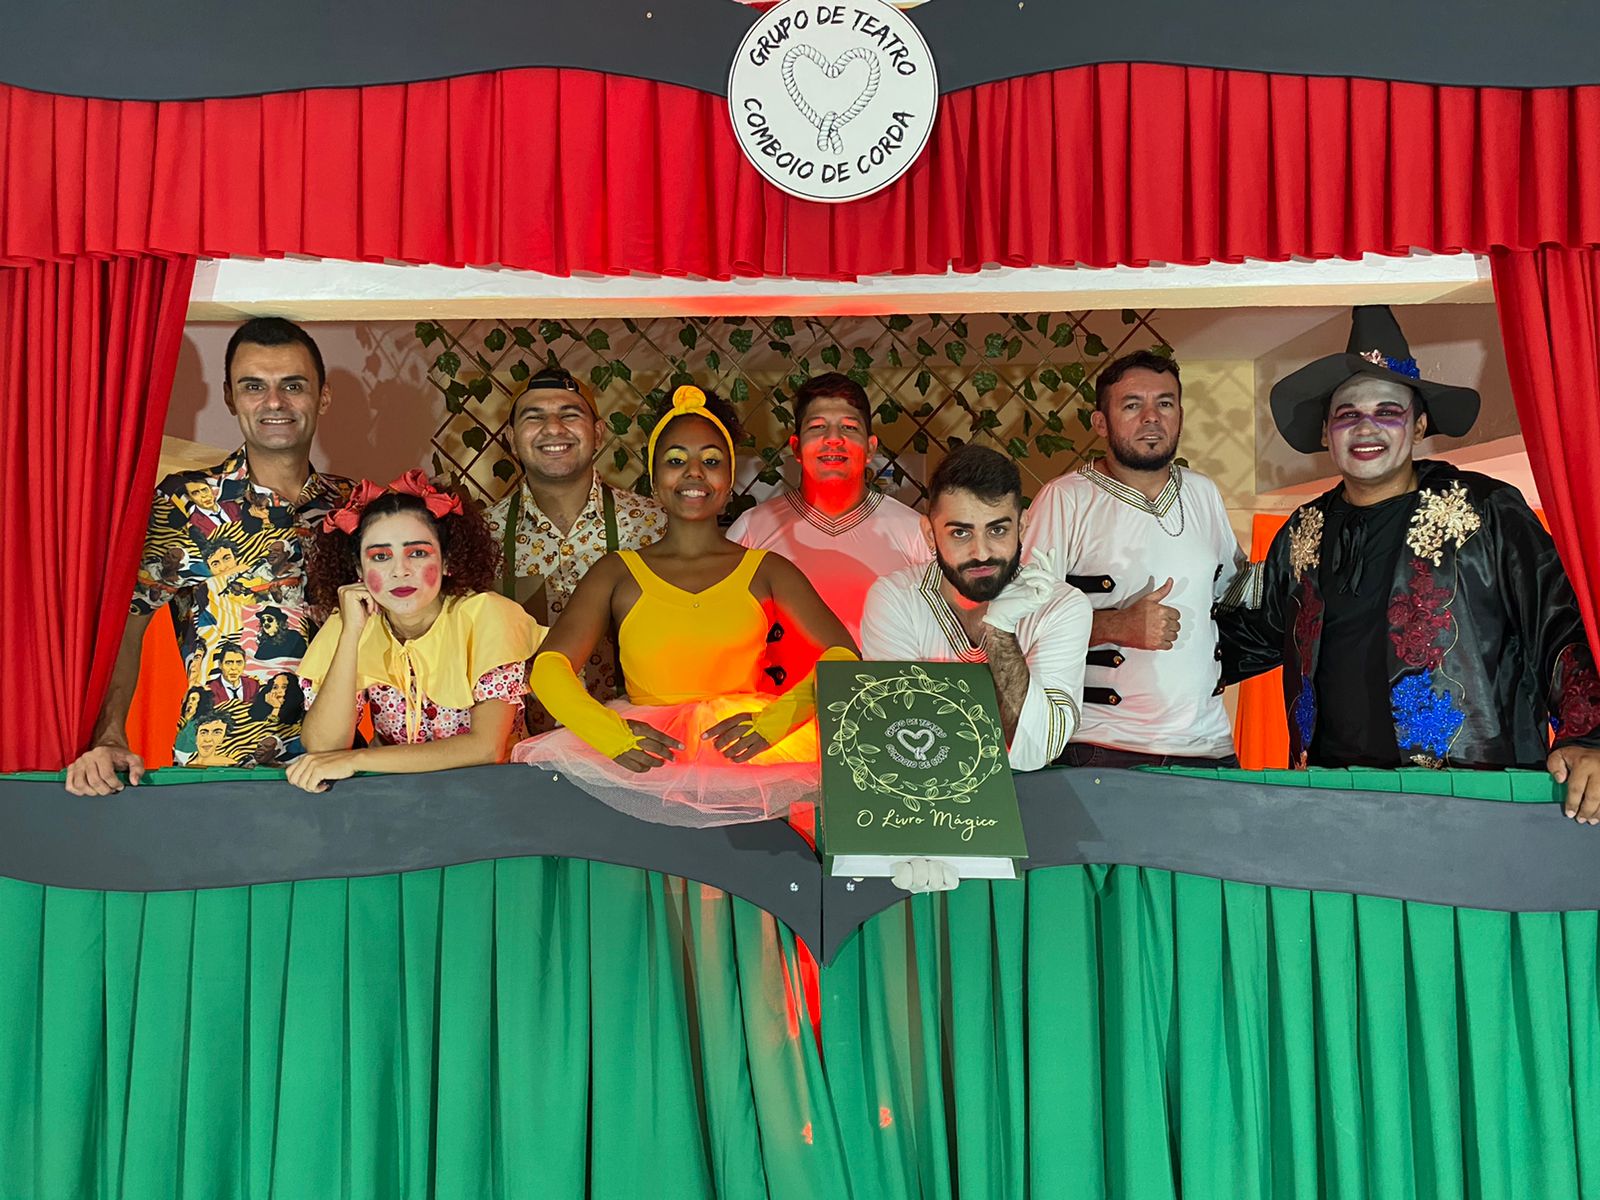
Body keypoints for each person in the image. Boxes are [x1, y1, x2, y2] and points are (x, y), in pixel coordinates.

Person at [1219, 304, 1600, 820]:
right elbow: (1257, 635)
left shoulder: (1485, 510)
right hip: (1331, 794)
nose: (1366, 428)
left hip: (1473, 791)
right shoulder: (1301, 532)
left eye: (1387, 411)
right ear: (1327, 432)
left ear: (1418, 425)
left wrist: (1587, 735)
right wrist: (1147, 656)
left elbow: (1557, 622)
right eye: (1348, 414)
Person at [513, 385, 857, 826]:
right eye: (676, 461)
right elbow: (547, 668)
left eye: (711, 462)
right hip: (646, 764)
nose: (694, 473)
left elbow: (843, 655)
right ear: (654, 479)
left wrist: (776, 722)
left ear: (729, 479)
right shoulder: (617, 572)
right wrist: (609, 733)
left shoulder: (767, 570)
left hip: (746, 762)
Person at [64, 317, 353, 793]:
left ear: (323, 396)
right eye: (253, 386)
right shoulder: (185, 502)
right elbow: (125, 625)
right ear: (229, 397)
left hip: (339, 769)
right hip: (218, 771)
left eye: (293, 385)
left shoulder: (354, 508)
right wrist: (109, 736)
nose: (274, 402)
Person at [1023, 351, 1256, 768]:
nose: (1152, 417)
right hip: (1101, 747)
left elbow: (1238, 594)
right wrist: (1115, 626)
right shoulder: (1065, 499)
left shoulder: (1202, 492)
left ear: (1180, 415)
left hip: (1209, 746)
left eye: (1165, 403)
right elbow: (1020, 624)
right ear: (1100, 423)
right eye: (1132, 405)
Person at [285, 472, 544, 794]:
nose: (400, 570)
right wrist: (350, 634)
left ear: (447, 561)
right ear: (359, 570)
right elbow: (323, 748)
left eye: (418, 553)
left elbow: (486, 748)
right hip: (404, 803)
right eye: (380, 557)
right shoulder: (349, 622)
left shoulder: (487, 615)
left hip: (498, 796)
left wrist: (356, 760)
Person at [860, 444, 1092, 771]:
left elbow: (1038, 750)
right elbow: (899, 732)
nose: (981, 552)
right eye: (960, 532)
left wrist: (1000, 628)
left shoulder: (1061, 605)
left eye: (997, 530)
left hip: (1029, 793)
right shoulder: (896, 598)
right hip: (921, 790)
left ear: (1022, 527)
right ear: (930, 534)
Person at [486, 367, 665, 733]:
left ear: (597, 433)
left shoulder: (654, 526)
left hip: (636, 742)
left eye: (569, 415)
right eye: (534, 417)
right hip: (522, 747)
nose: (553, 428)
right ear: (512, 439)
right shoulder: (482, 536)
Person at [727, 372, 929, 689]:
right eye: (817, 427)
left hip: (881, 705)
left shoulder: (914, 532)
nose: (833, 439)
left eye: (849, 427)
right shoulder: (752, 529)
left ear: (871, 448)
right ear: (796, 447)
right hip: (773, 709)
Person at [172, 686, 214, 762]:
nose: (190, 702)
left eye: (193, 699)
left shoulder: (203, 724)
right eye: (188, 700)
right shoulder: (181, 721)